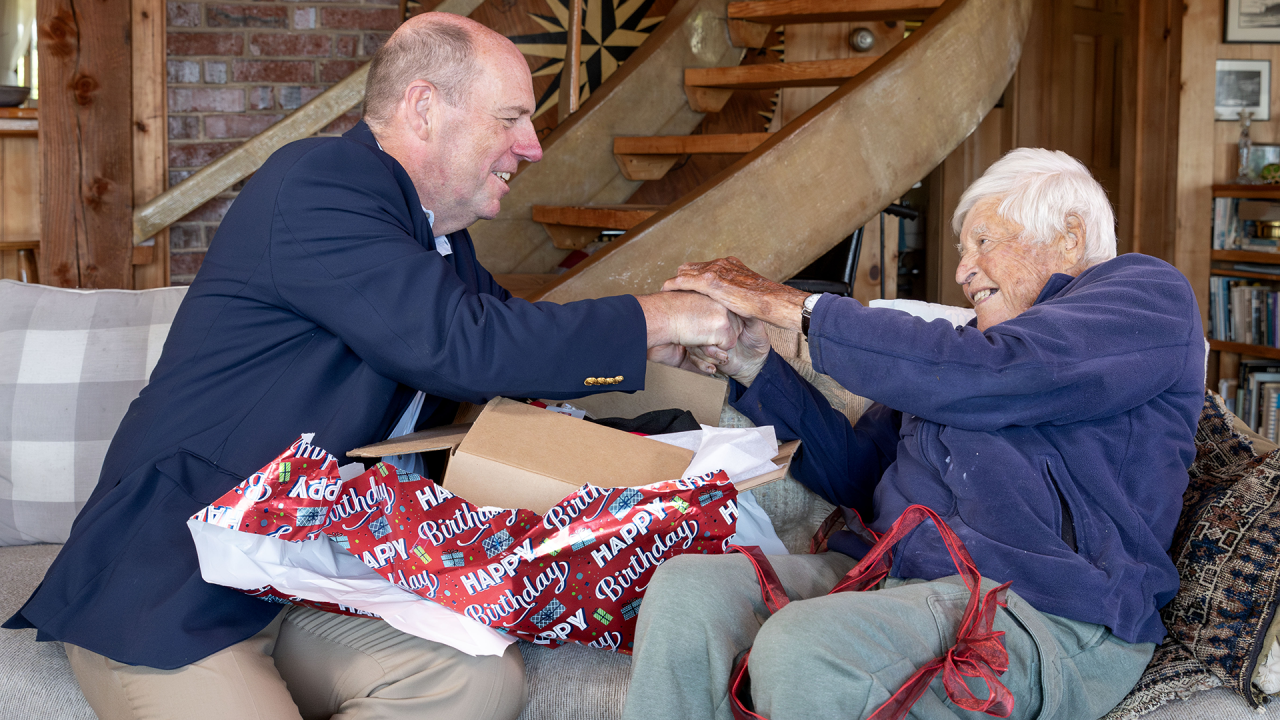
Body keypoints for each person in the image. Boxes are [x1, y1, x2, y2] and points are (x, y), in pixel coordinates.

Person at [4, 13, 738, 720]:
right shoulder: (319, 185)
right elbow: (461, 344)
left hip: (298, 572)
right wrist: (658, 315)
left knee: (474, 680)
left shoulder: (428, 232)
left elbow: (501, 351)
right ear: (424, 108)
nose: (534, 145)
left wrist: (652, 350)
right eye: (510, 118)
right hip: (178, 574)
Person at [622, 148, 1206, 720]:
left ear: (1071, 236)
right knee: (684, 595)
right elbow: (857, 473)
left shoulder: (1144, 298)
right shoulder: (957, 358)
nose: (962, 271)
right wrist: (752, 366)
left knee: (807, 647)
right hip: (891, 579)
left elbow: (1007, 371)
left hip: (1039, 605)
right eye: (962, 250)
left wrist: (797, 307)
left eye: (983, 242)